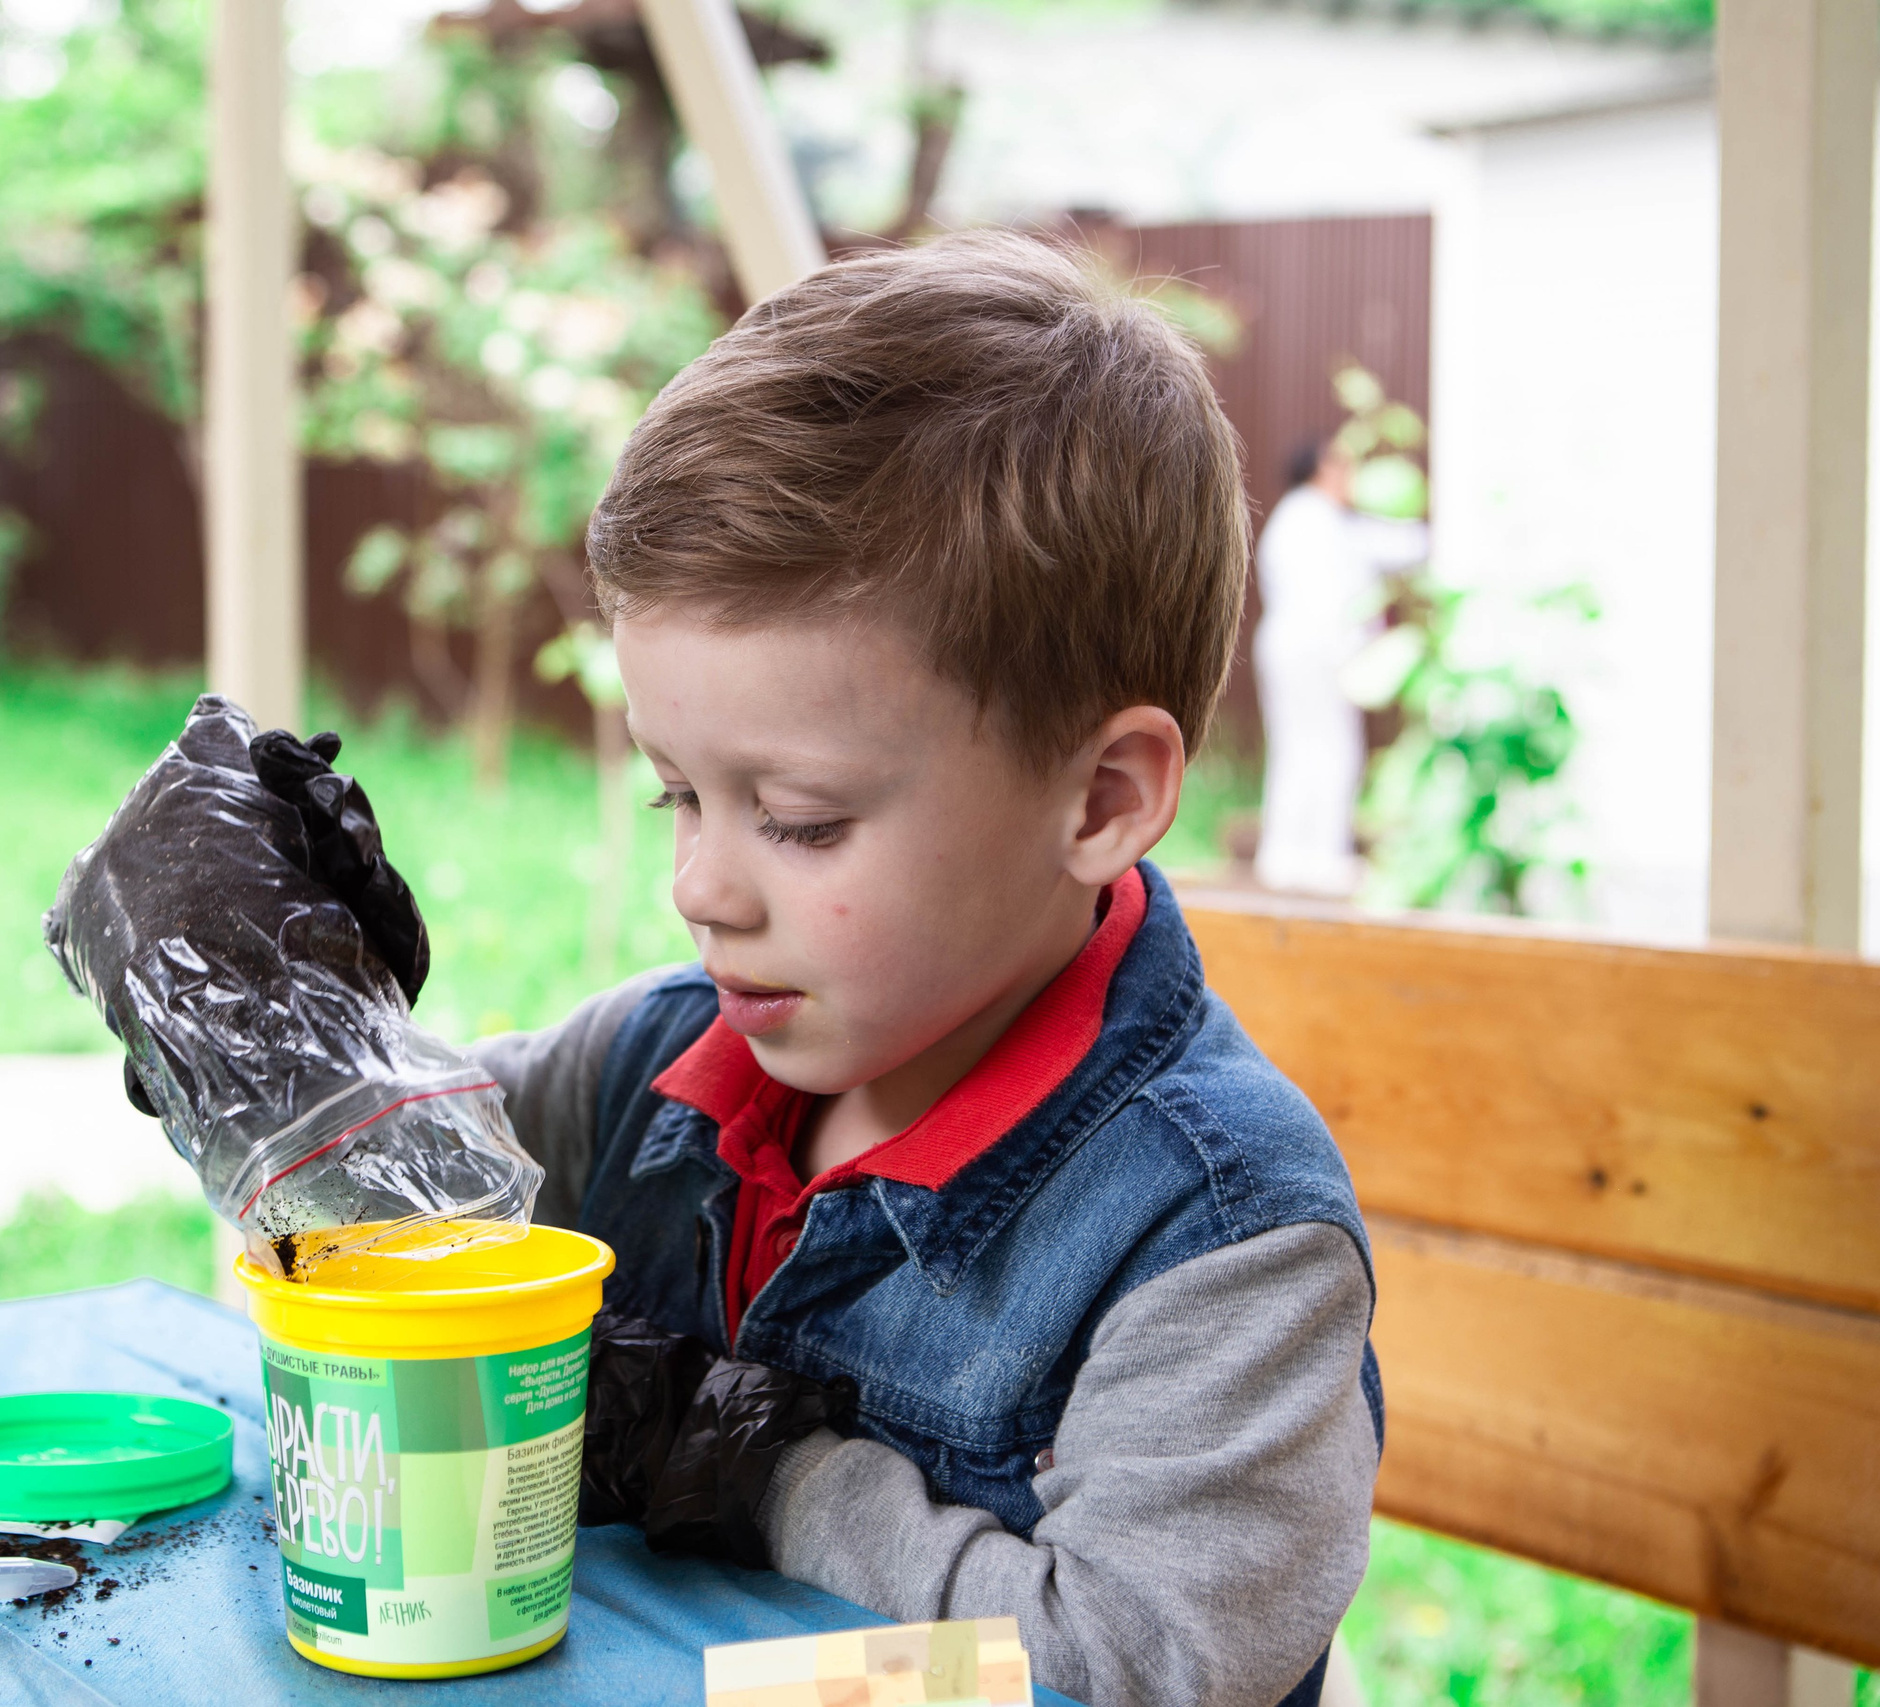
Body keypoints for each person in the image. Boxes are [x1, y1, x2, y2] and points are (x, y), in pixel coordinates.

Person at [470, 234, 1379, 1707]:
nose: (699, 885)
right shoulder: (654, 1067)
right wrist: (280, 1021)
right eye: (677, 793)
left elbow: (1135, 1665)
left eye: (801, 818)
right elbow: (406, 1184)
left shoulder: (1216, 1236)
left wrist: (771, 1475)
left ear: (1098, 799)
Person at [1251, 440, 1428, 896]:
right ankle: (1323, 858)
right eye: (1343, 464)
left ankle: (1284, 855)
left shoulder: (1293, 517)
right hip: (1320, 651)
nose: (1351, 474)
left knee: (1294, 747)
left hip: (1287, 648)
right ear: (1321, 469)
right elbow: (1392, 548)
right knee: (1332, 749)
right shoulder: (1323, 522)